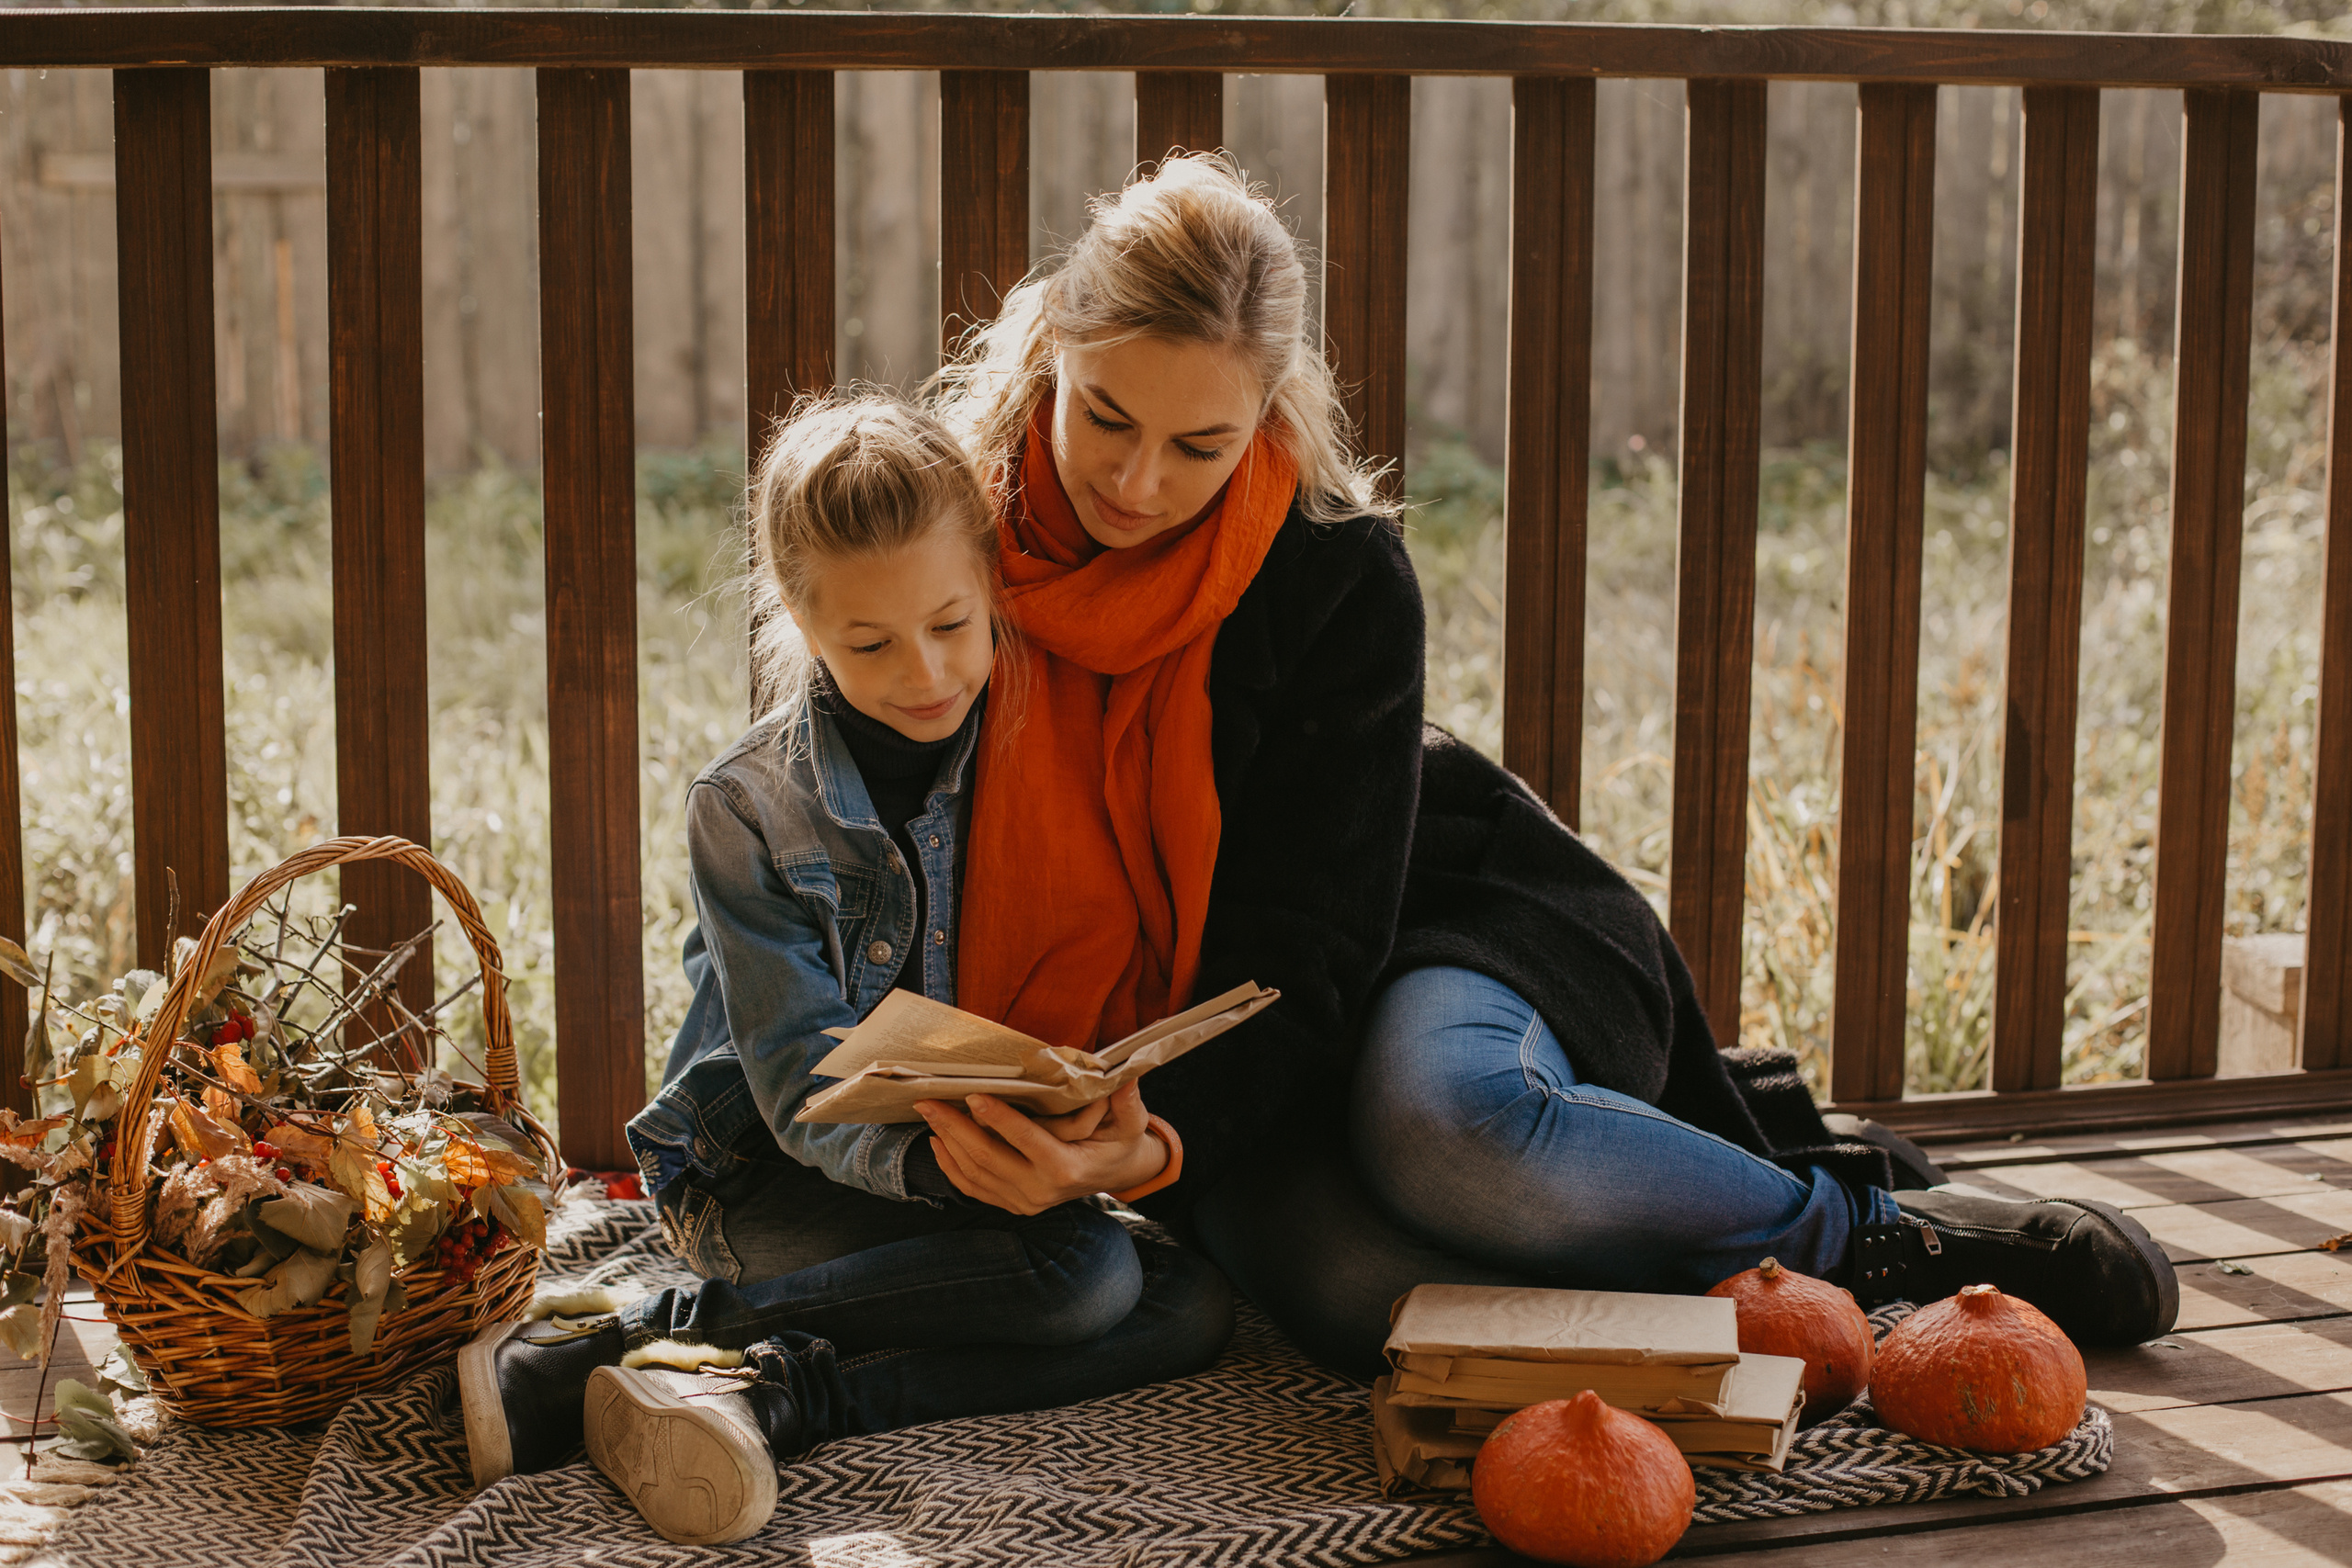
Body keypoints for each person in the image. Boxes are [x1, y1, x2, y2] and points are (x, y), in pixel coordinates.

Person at [913, 151, 2177, 1380]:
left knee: (1453, 1136)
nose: (1139, 481)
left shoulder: (1333, 569)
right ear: (1051, 357)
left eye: (1201, 444)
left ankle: (1855, 1227)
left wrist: (1147, 1145)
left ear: (1270, 412)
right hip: (1215, 1050)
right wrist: (1111, 1133)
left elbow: (1308, 948)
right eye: (1108, 418)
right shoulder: (941, 541)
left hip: (1430, 920)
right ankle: (1707, 1138)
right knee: (1377, 1305)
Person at [456, 396, 1232, 1545]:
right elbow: (798, 1084)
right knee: (1078, 1274)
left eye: (952, 625)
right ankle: (624, 1339)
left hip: (965, 1156)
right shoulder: (747, 806)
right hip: (762, 1170)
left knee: (1187, 1301)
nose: (923, 674)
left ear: (991, 590)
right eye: (868, 644)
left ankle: (781, 1400)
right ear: (801, 623)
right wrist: (948, 1172)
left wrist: (1062, 1124)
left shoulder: (1029, 746)